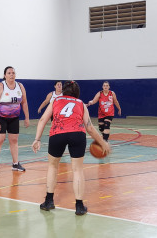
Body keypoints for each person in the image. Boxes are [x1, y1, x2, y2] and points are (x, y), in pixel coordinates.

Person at [32, 81, 110, 215]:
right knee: (77, 170)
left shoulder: (55, 100)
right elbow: (90, 128)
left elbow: (42, 120)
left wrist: (37, 139)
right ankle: (79, 206)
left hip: (58, 133)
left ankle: (49, 201)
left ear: (64, 91)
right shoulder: (81, 104)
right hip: (77, 134)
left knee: (52, 166)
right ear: (77, 92)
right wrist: (103, 143)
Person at [0, 66, 30, 175]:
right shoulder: (0, 87)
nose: (12, 75)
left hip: (14, 118)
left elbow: (24, 102)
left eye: (13, 73)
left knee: (14, 140)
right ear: (5, 75)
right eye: (9, 73)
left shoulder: (20, 86)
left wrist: (26, 117)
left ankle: (15, 164)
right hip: (1, 118)